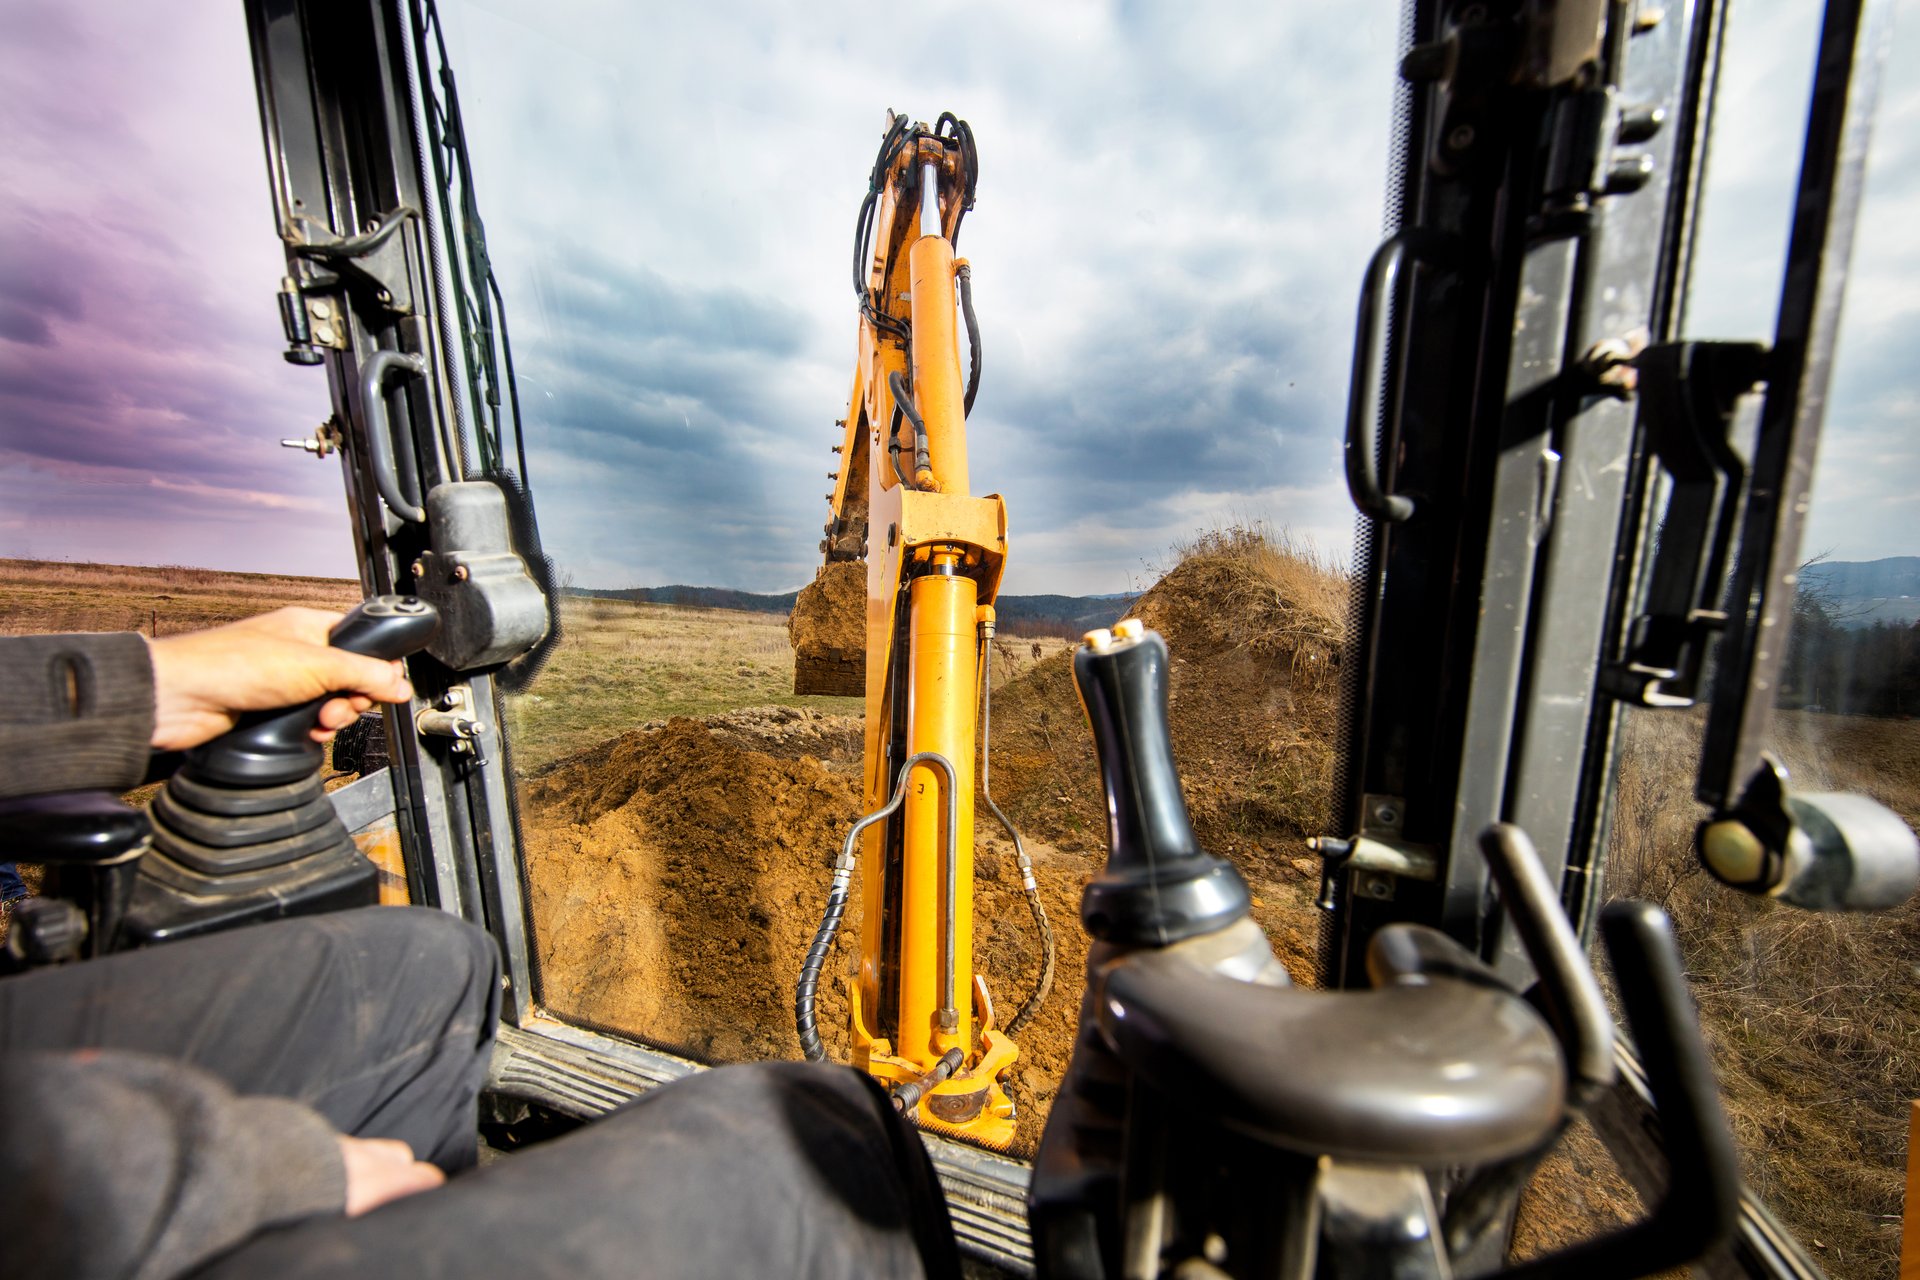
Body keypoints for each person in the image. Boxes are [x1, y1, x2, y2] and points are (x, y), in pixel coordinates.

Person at [0, 609, 958, 1279]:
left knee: (438, 960)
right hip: (62, 1180)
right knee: (814, 1136)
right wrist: (268, 1173)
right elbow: (56, 1184)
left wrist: (130, 690)